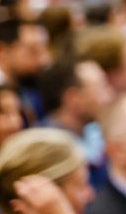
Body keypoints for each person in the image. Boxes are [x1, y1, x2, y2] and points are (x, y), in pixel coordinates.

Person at [38, 59, 113, 188]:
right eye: (101, 88)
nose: (109, 97)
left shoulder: (98, 134)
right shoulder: (45, 151)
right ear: (73, 98)